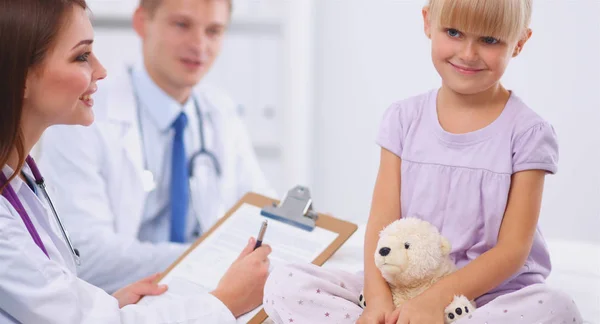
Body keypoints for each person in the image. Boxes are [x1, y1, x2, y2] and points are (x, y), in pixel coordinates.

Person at [261, 0, 584, 323]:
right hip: (402, 284)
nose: (468, 53)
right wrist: (377, 301)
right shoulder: (403, 119)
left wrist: (434, 302)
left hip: (487, 294)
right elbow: (382, 226)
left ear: (520, 43)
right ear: (428, 22)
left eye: (489, 40)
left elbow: (513, 251)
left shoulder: (528, 133)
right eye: (454, 32)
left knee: (557, 307)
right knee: (284, 283)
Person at [0, 0, 271, 322]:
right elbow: (86, 266)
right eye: (81, 56)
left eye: (213, 31)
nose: (199, 45)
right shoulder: (89, 118)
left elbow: (57, 294)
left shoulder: (22, 180)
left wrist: (109, 304)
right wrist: (224, 299)